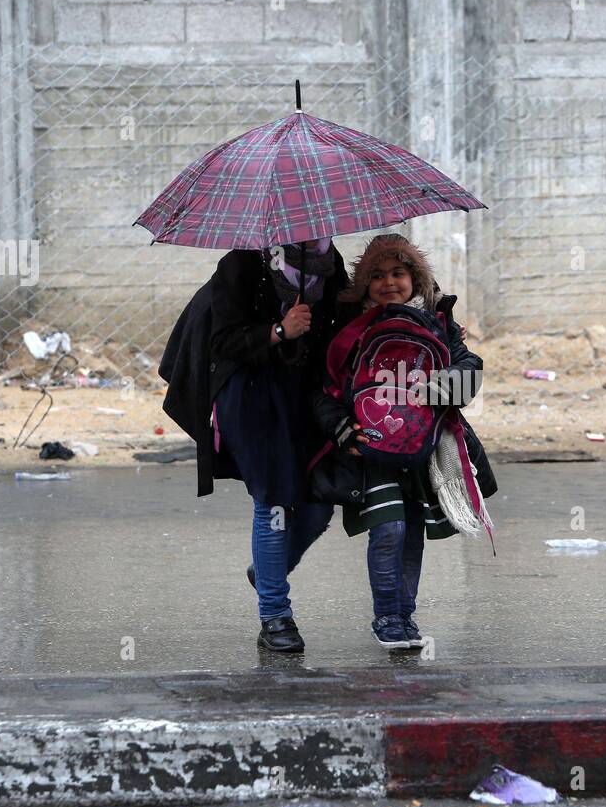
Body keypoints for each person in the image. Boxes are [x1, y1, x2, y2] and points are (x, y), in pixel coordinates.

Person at [159, 237, 346, 653]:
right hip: (251, 394)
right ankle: (275, 615)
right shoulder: (241, 264)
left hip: (305, 397)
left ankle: (266, 573)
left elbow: (344, 325)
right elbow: (222, 344)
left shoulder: (327, 262)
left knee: (317, 506)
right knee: (274, 501)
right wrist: (279, 331)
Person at [312, 234, 497, 650]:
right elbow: (325, 392)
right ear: (363, 285)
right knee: (389, 528)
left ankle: (405, 617)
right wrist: (344, 432)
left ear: (416, 278)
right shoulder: (348, 331)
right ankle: (387, 619)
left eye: (399, 273)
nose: (388, 283)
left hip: (423, 447)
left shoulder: (438, 321)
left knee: (412, 529)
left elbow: (469, 373)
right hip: (371, 449)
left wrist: (430, 387)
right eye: (376, 276)